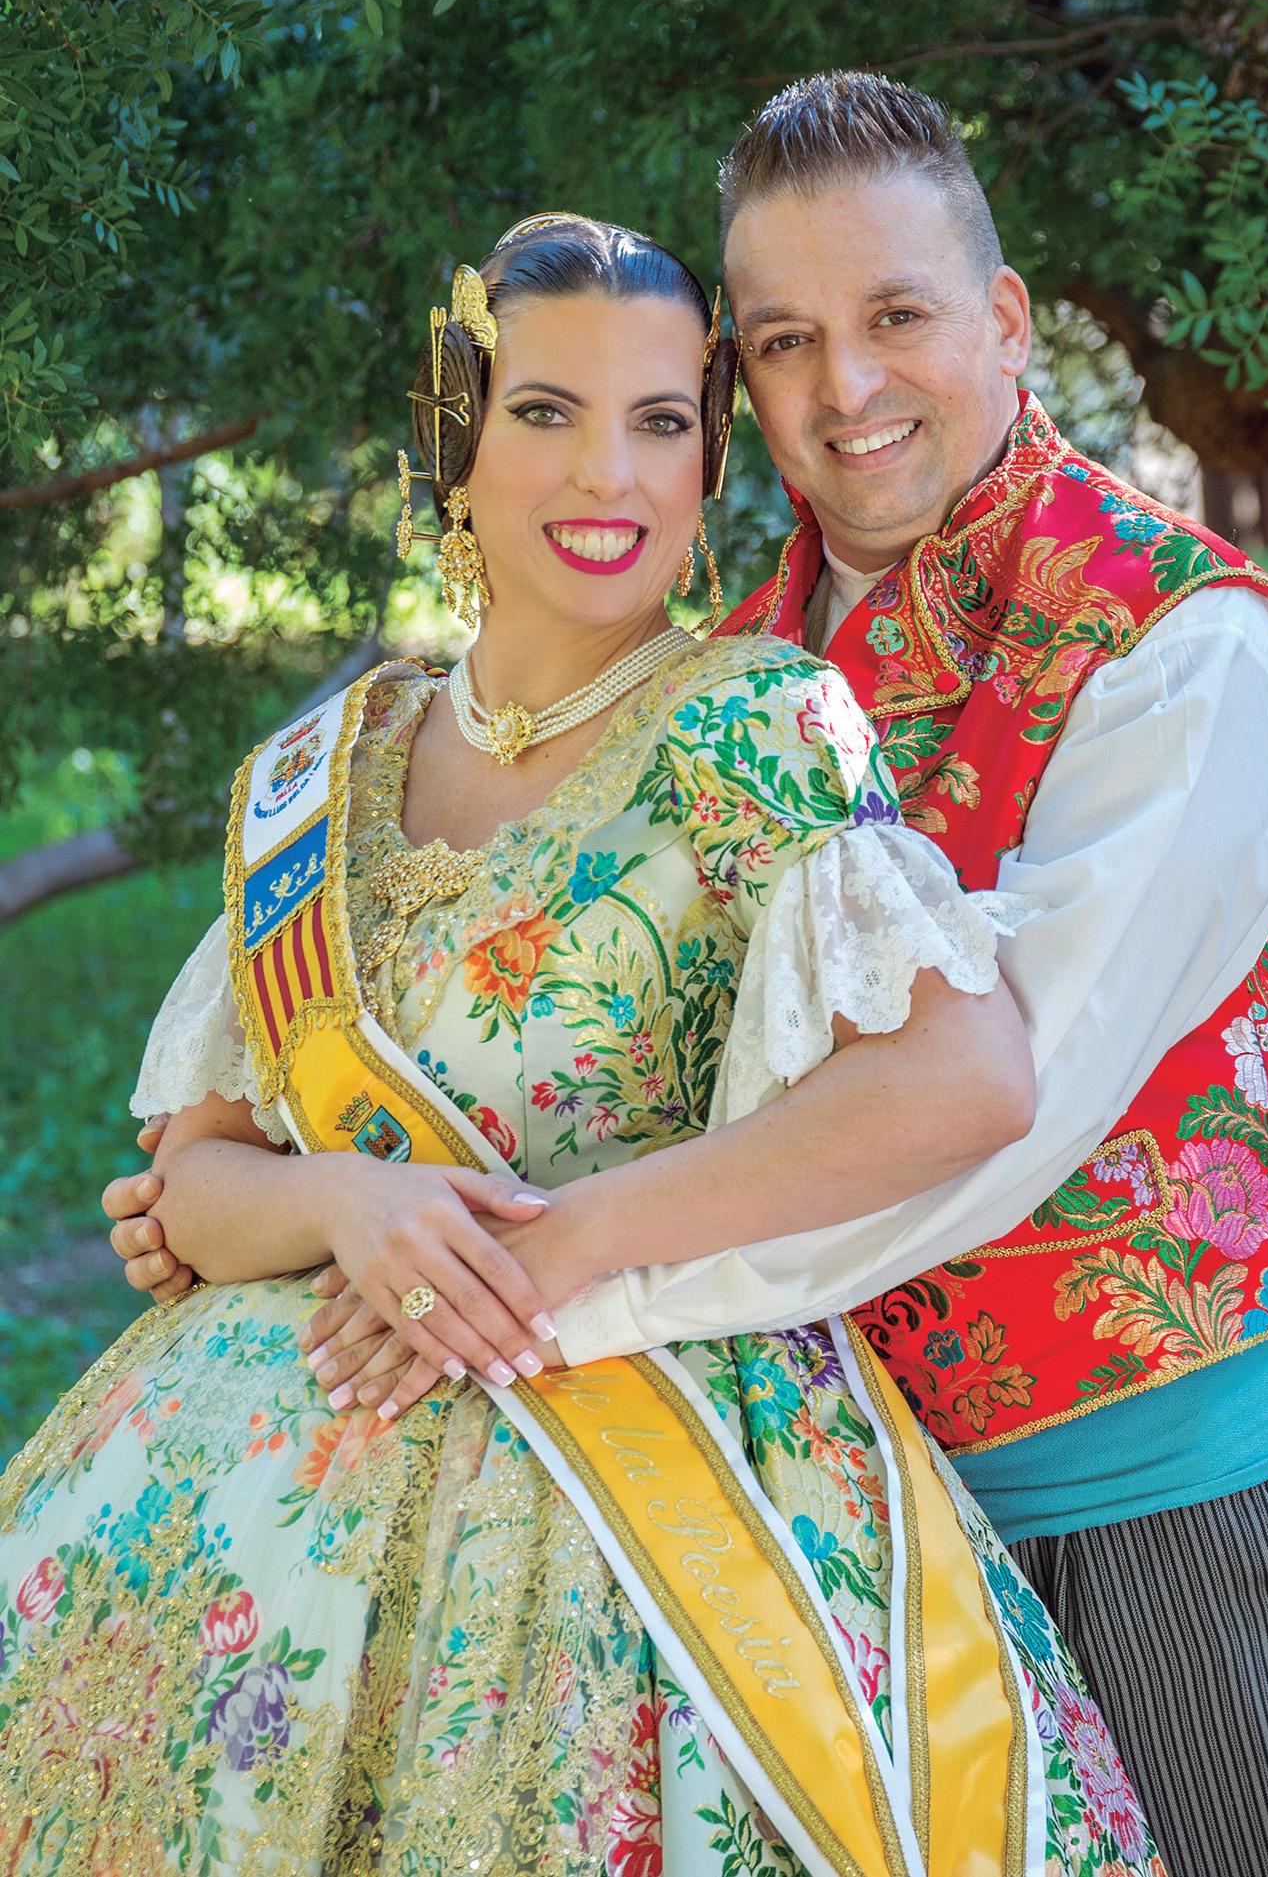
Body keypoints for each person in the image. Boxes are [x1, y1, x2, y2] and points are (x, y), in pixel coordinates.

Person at [247, 73, 1268, 1875]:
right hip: (849, 1515)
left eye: (896, 316)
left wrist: (534, 1282)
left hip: (1188, 1500)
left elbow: (992, 1104)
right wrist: (282, 1187)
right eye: (786, 341)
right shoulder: (731, 673)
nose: (846, 387)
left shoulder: (1185, 650)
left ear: (1005, 319)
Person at [0, 215, 1168, 1876]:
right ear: (455, 440)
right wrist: (347, 1204)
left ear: (708, 463)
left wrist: (552, 1247)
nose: (605, 472)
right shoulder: (326, 769)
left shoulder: (753, 725)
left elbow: (958, 1077)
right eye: (546, 412)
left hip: (643, 1508)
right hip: (245, 1530)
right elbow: (190, 1190)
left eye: (659, 420)